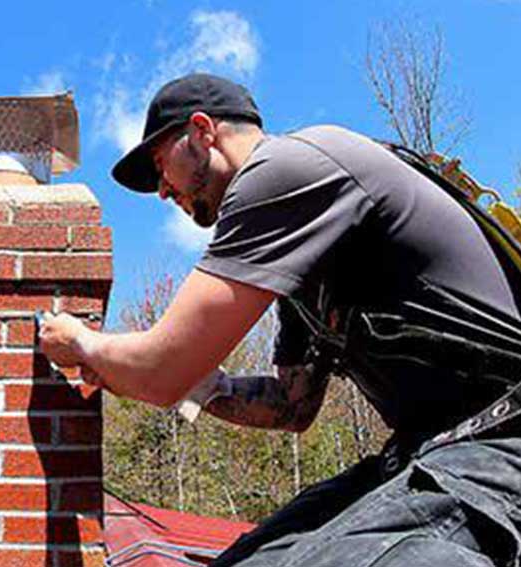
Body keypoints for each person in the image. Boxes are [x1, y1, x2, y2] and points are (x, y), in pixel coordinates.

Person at [38, 73, 521, 566]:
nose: (163, 191)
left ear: (203, 132)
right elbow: (293, 407)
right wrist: (201, 385)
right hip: (435, 452)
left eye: (161, 164)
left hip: (502, 447)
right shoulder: (302, 262)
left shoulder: (286, 168)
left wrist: (81, 342)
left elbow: (164, 369)